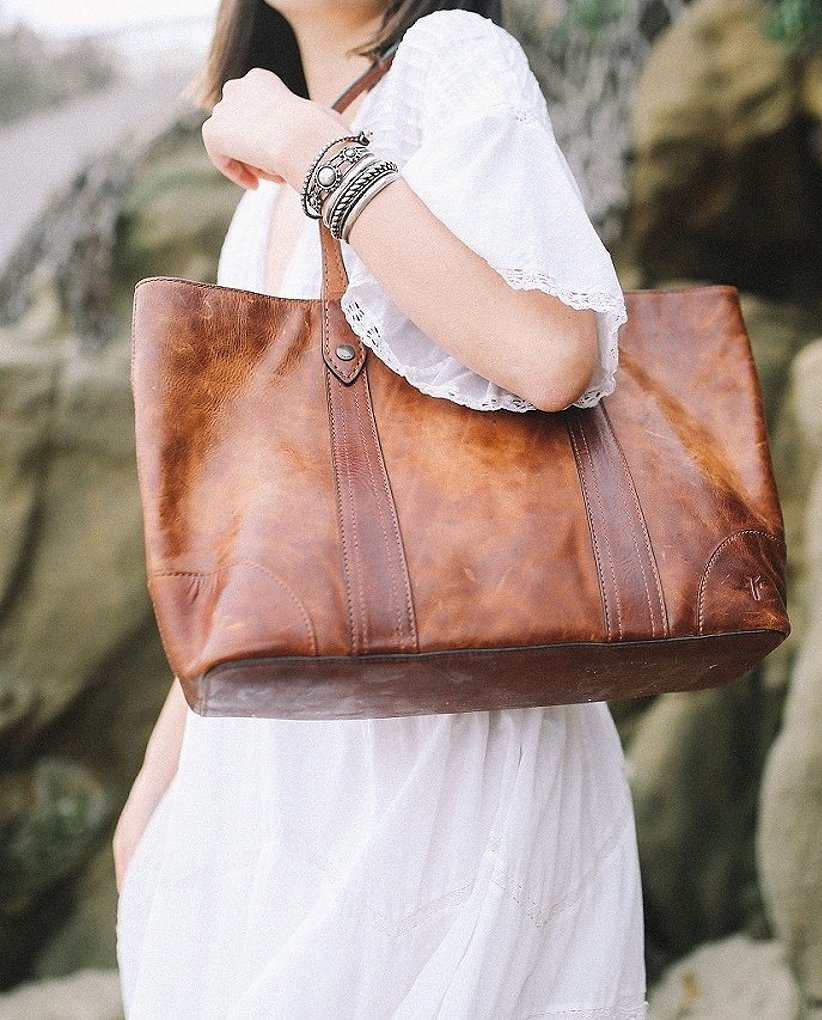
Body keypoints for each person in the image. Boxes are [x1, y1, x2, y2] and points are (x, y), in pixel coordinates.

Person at [114, 0, 646, 1016]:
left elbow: (549, 352)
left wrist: (314, 151)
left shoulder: (449, 60)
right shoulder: (253, 195)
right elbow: (247, 537)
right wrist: (159, 779)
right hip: (268, 750)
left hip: (445, 729)